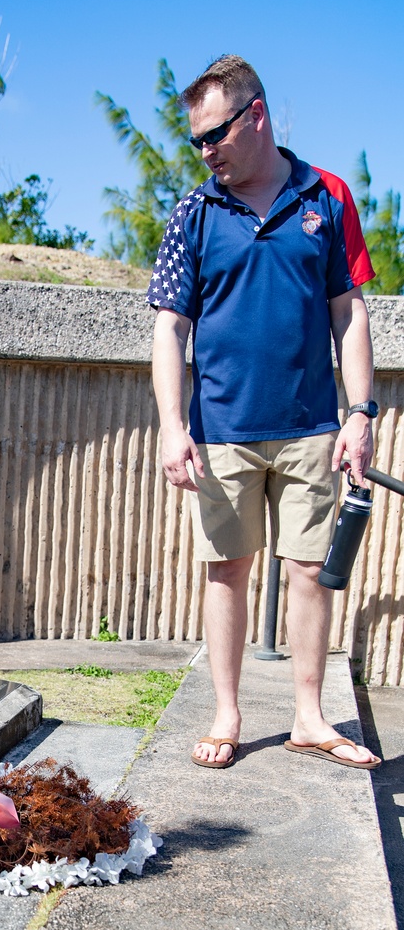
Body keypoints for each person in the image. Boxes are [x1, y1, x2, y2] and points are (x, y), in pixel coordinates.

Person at [149, 54, 380, 770]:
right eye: (196, 141)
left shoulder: (328, 195)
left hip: (312, 426)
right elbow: (170, 327)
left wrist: (361, 412)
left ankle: (310, 717)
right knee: (228, 571)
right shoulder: (194, 212)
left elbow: (351, 315)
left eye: (213, 134)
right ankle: (227, 712)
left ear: (256, 115)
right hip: (222, 430)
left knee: (309, 570)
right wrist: (173, 425)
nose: (204, 151)